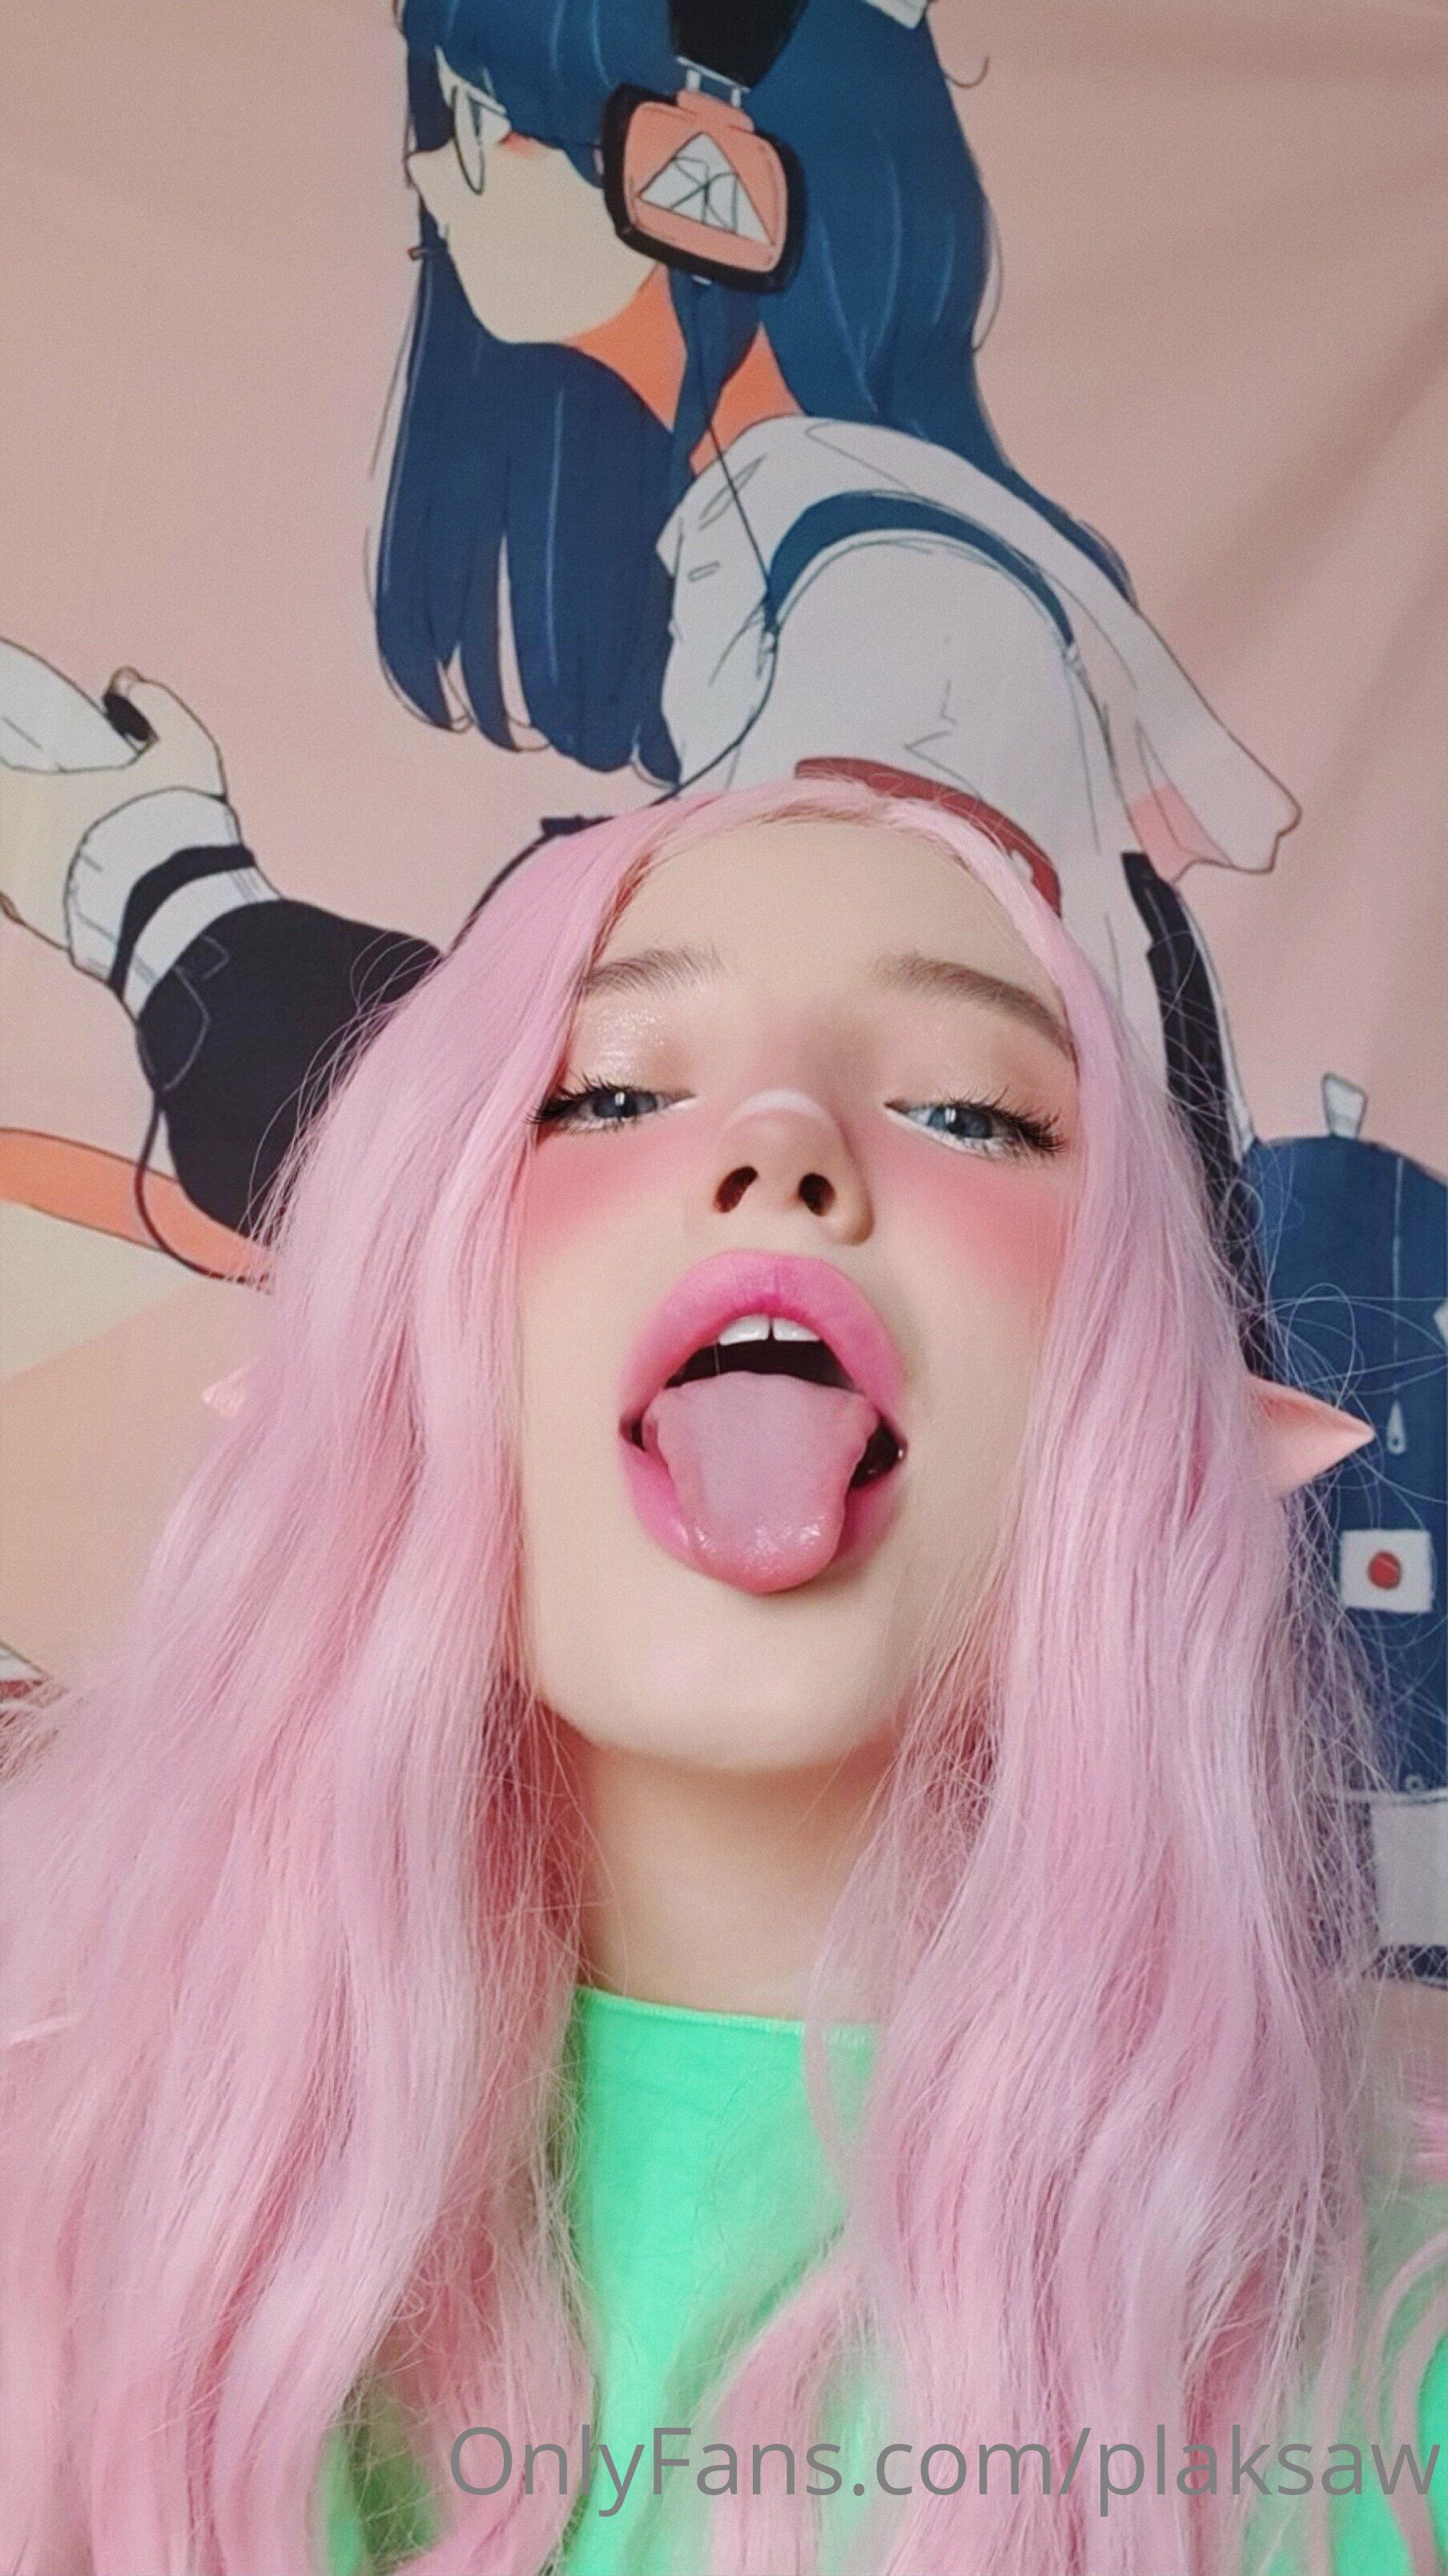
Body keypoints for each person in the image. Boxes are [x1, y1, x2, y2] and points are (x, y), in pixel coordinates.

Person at [0, 778, 1440, 2576]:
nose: (783, 1146)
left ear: (1141, 1410)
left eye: (970, 1112)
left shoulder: (1390, 2353)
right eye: (605, 1095)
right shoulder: (55, 2218)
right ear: (394, 1342)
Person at [0, 0, 1289, 1278]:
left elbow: (696, 1179)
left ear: (705, 184)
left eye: (485, 125)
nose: (435, 175)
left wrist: (157, 889)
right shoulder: (807, 567)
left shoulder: (898, 611)